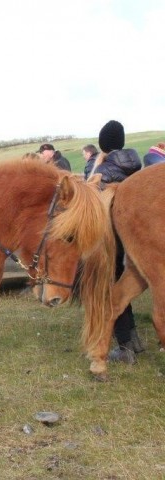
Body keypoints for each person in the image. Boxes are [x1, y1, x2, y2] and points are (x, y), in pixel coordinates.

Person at [89, 120, 143, 364]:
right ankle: (134, 341)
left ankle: (125, 347)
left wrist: (95, 167)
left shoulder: (103, 169)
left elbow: (90, 201)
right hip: (135, 232)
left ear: (102, 144)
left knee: (113, 284)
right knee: (126, 282)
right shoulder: (136, 164)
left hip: (111, 234)